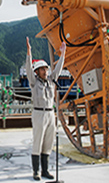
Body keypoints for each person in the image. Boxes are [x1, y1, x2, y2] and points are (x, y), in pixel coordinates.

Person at [26, 37, 66, 181]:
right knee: (38, 141)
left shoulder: (51, 81)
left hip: (50, 114)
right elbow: (28, 68)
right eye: (42, 69)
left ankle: (45, 170)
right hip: (38, 114)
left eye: (46, 68)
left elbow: (59, 68)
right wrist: (29, 52)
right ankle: (36, 171)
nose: (45, 71)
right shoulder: (33, 81)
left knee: (49, 142)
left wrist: (63, 54)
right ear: (37, 71)